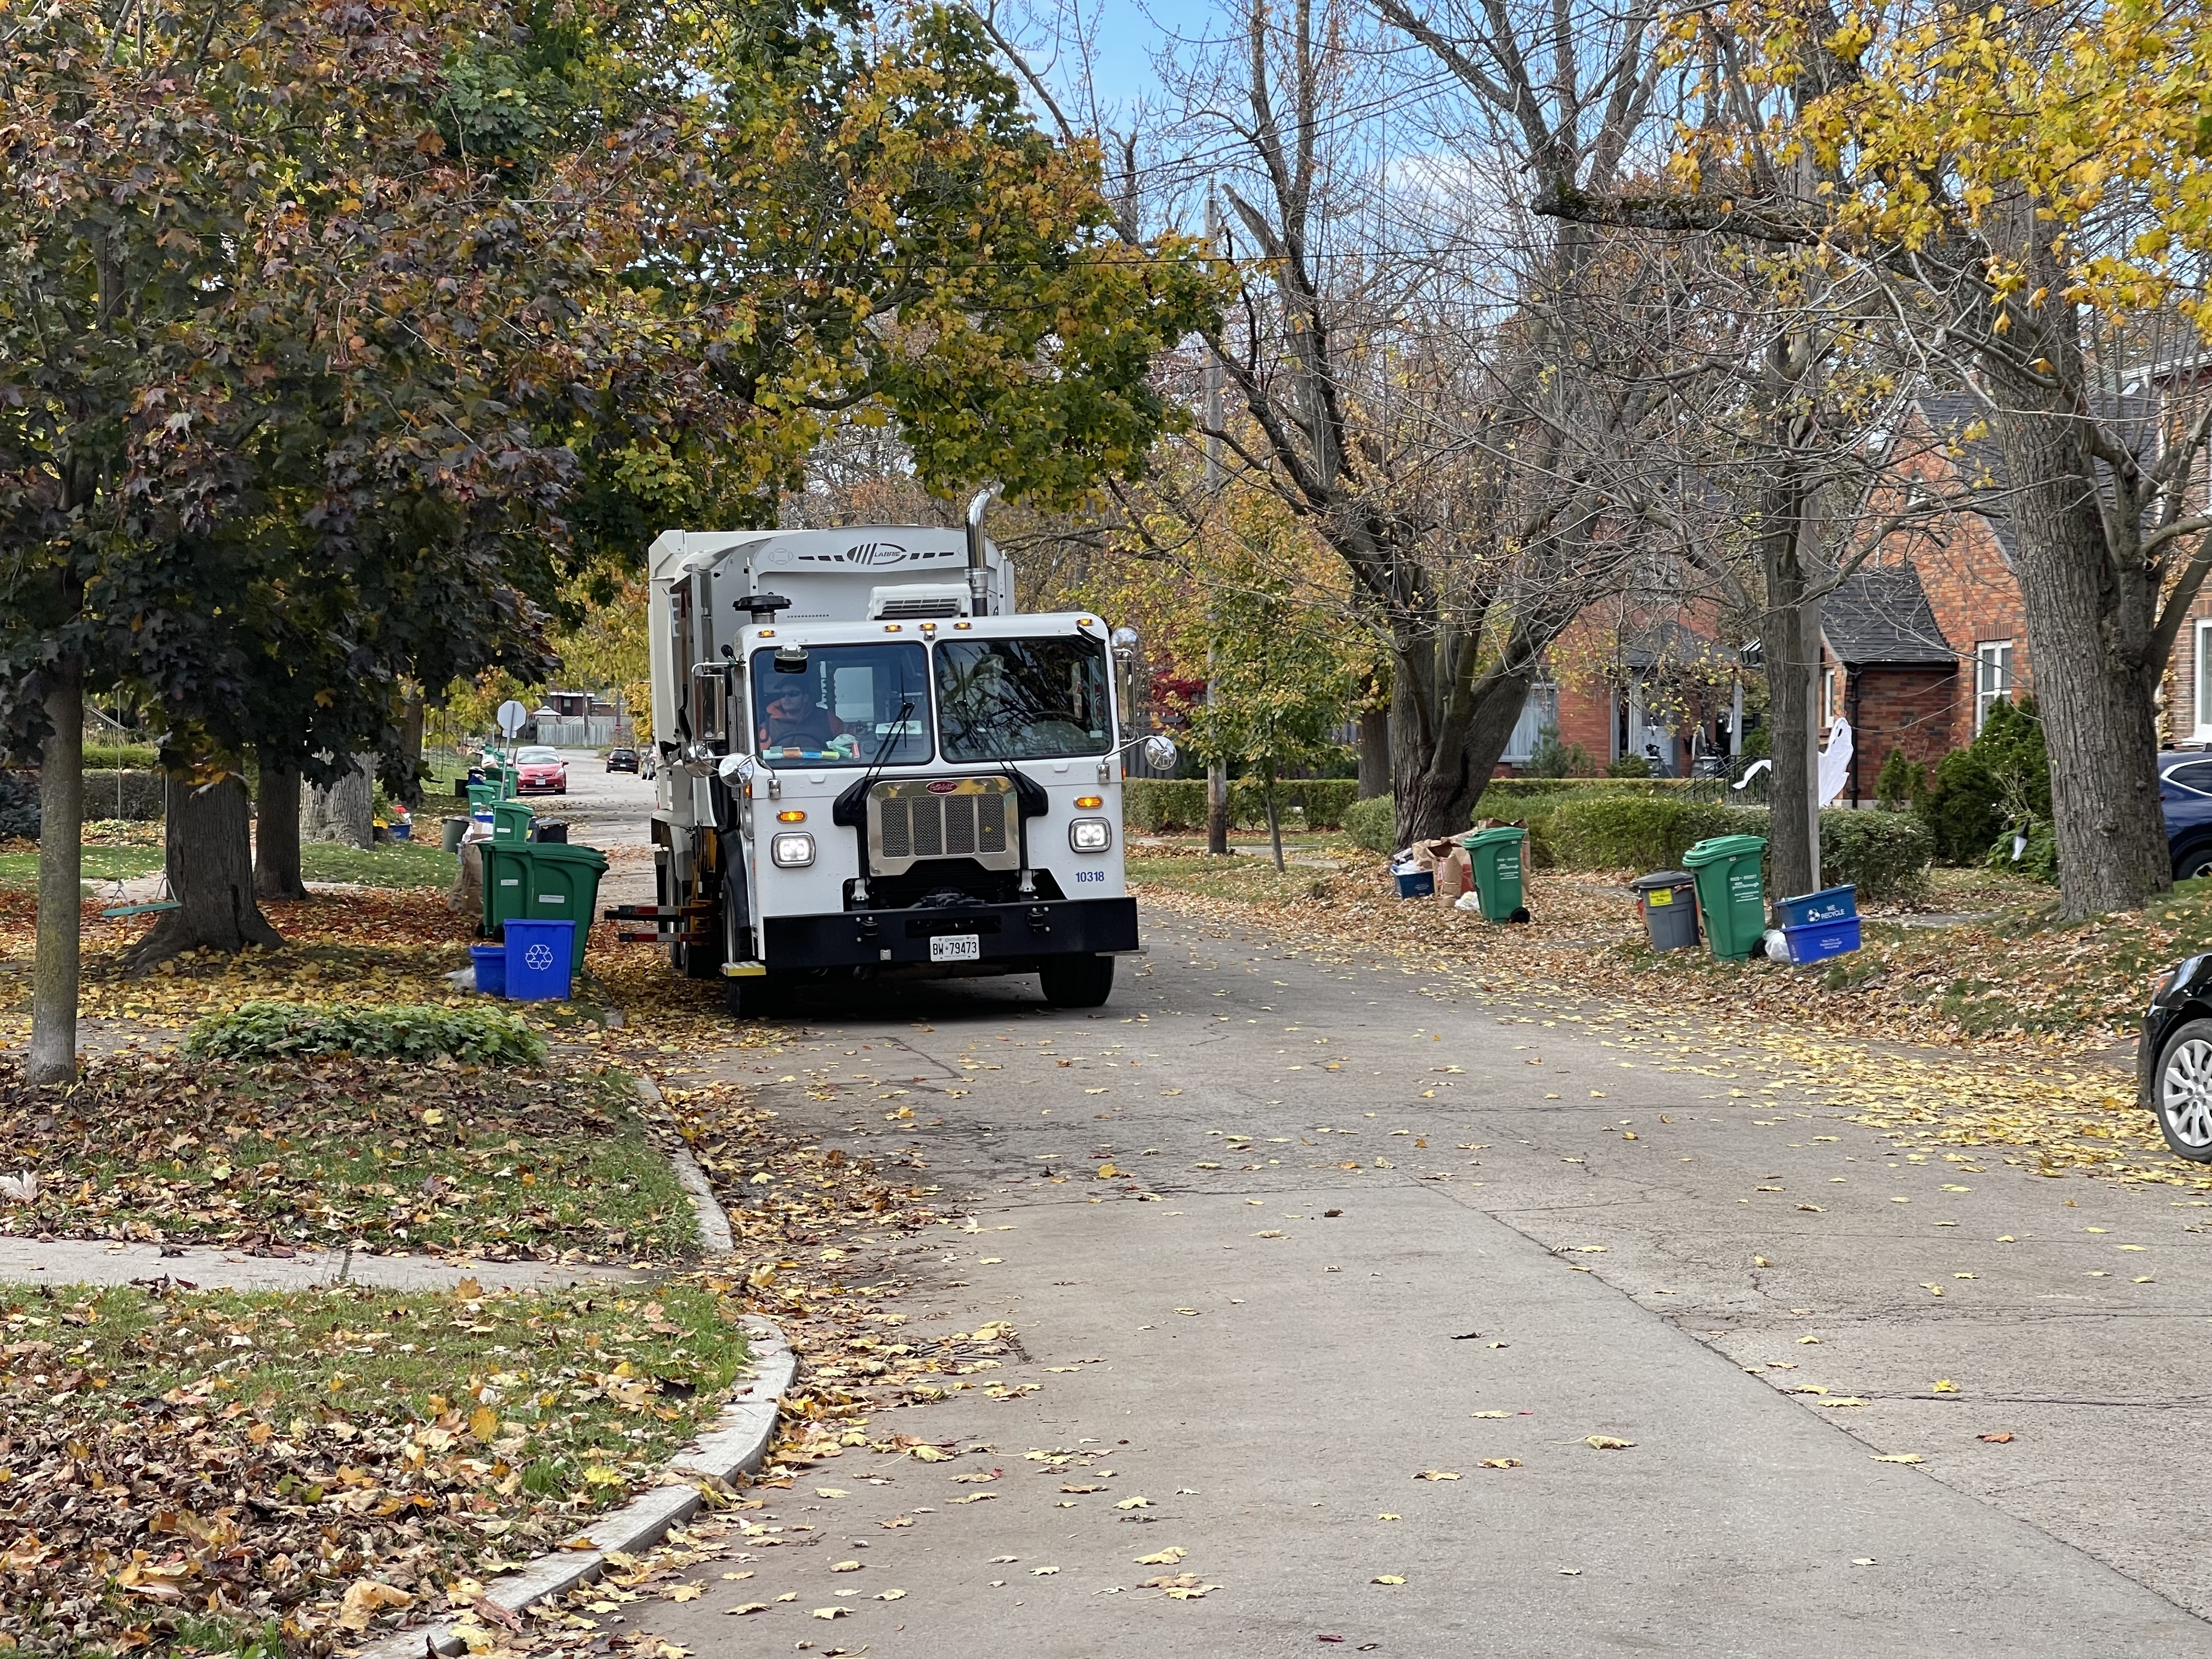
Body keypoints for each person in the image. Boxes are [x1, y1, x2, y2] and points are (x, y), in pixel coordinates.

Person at [760, 684, 835, 751]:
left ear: (805, 698)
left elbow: (846, 740)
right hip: (780, 767)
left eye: (793, 694)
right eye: (783, 695)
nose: (786, 698)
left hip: (823, 766)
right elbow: (760, 758)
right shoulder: (768, 727)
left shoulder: (827, 718)